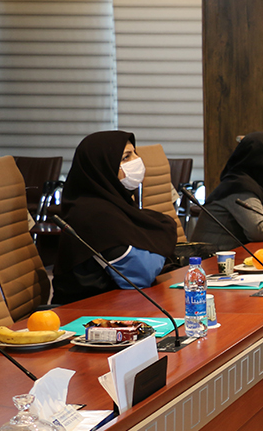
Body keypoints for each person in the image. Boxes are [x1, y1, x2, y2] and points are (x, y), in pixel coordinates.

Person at [51, 131, 179, 305]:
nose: (137, 160)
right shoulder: (93, 215)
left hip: (119, 303)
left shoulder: (115, 204)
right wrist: (163, 238)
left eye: (135, 153)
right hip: (87, 310)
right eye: (126, 157)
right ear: (102, 167)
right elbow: (141, 274)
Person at [191, 132, 263, 248]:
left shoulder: (261, 184)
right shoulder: (239, 187)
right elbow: (258, 231)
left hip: (236, 251)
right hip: (211, 255)